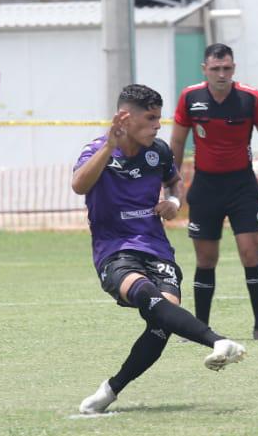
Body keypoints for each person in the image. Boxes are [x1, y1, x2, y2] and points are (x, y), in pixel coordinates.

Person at [71, 83, 247, 416]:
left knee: (162, 320)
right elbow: (79, 184)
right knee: (147, 295)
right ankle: (218, 341)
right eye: (151, 118)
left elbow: (175, 181)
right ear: (125, 118)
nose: (157, 125)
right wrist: (109, 146)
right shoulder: (97, 150)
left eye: (159, 118)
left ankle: (110, 390)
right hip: (115, 251)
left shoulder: (159, 151)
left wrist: (175, 201)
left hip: (157, 249)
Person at [168, 43, 258, 340]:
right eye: (215, 69)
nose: (222, 74)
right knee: (206, 260)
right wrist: (172, 182)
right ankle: (199, 328)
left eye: (227, 68)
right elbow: (177, 143)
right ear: (204, 69)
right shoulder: (190, 97)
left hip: (242, 187)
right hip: (206, 187)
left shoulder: (251, 98)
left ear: (233, 68)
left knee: (250, 253)